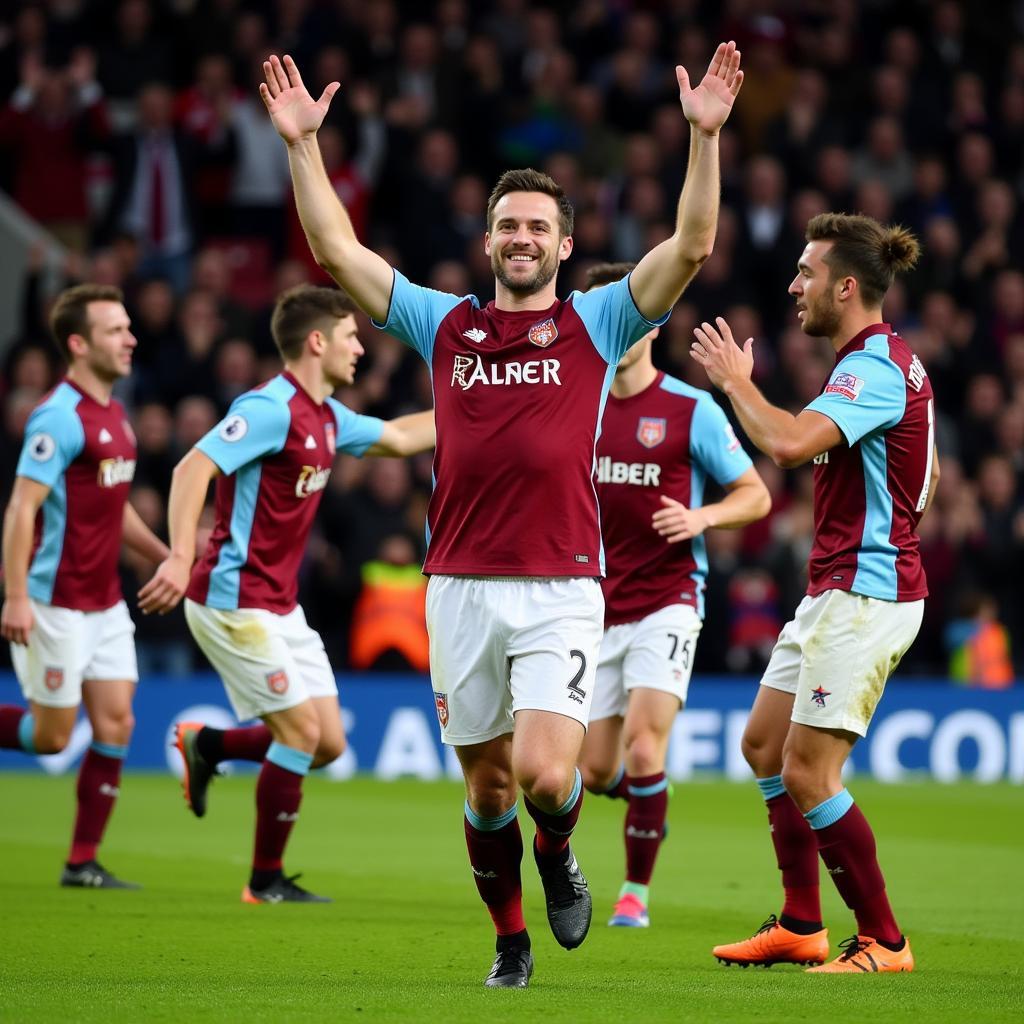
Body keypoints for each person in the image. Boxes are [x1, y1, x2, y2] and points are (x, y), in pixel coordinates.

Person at [260, 42, 742, 987]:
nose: (521, 237)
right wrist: (303, 149)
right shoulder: (446, 324)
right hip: (459, 588)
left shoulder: (601, 322)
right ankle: (510, 940)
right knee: (485, 792)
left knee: (547, 778)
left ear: (565, 244)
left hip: (562, 583)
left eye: (538, 226)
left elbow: (690, 246)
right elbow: (335, 252)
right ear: (490, 242)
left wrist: (704, 136)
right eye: (507, 225)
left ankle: (559, 854)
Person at [690, 213, 940, 974]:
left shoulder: (871, 367)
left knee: (807, 771)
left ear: (847, 285)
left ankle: (885, 942)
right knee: (764, 744)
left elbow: (791, 445)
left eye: (806, 273)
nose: (794, 286)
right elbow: (926, 476)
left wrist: (737, 384)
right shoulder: (881, 362)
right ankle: (802, 923)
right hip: (841, 585)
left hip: (866, 591)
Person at [138, 285, 434, 904]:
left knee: (326, 744)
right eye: (351, 336)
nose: (360, 347)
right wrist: (181, 555)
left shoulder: (327, 417)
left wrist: (492, 399)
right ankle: (263, 881)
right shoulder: (270, 407)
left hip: (279, 606)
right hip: (230, 599)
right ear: (317, 341)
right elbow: (192, 468)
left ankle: (209, 744)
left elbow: (403, 438)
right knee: (299, 736)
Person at [577, 262, 770, 929]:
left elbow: (756, 494)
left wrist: (701, 519)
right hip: (592, 606)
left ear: (652, 321)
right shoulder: (577, 403)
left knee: (643, 746)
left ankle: (635, 894)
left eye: (630, 317)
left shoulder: (689, 409)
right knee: (595, 773)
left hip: (668, 598)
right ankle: (649, 803)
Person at [0, 284, 169, 888]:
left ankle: (82, 862)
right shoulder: (58, 417)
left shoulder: (115, 414)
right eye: (115, 331)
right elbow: (23, 508)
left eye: (128, 327)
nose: (130, 339)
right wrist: (17, 594)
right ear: (78, 343)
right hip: (56, 602)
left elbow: (113, 504)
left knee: (117, 723)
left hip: (104, 602)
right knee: (49, 738)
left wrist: (162, 554)